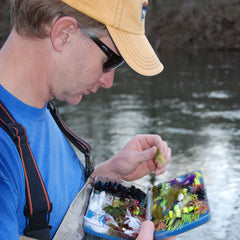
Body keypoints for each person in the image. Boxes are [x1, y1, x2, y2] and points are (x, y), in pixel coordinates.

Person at [0, 0, 175, 239]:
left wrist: (107, 176)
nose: (109, 81)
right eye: (111, 61)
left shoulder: (40, 108)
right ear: (64, 33)